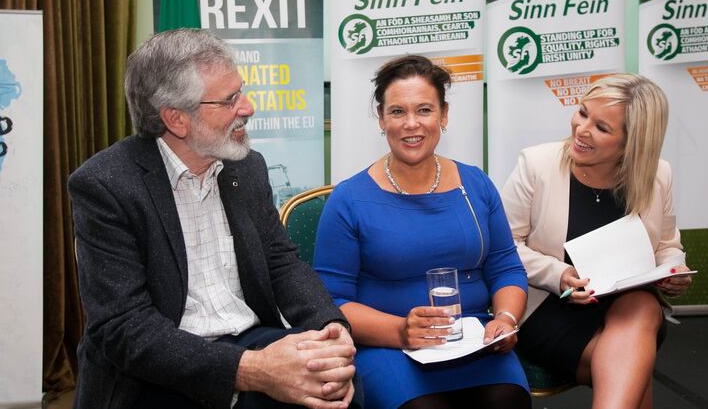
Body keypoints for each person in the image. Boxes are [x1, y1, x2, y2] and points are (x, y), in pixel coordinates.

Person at [68, 29, 361, 409]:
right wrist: (252, 370)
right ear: (176, 119)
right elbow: (125, 328)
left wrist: (328, 326)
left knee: (336, 389)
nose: (248, 107)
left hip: (247, 338)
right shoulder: (106, 186)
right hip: (159, 367)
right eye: (230, 99)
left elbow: (280, 263)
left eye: (241, 91)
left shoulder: (247, 168)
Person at [313, 55, 532, 409]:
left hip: (474, 339)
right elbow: (330, 302)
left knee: (507, 400)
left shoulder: (475, 184)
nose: (411, 124)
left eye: (425, 110)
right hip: (388, 346)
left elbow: (505, 266)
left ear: (444, 115)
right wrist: (401, 331)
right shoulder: (349, 200)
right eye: (397, 112)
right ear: (382, 119)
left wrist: (505, 319)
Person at [500, 73, 693, 409]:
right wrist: (558, 273)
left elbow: (666, 245)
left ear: (631, 143)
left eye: (602, 127)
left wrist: (672, 269)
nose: (582, 129)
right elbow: (503, 247)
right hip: (551, 306)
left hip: (627, 307)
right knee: (630, 369)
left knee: (642, 306)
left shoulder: (657, 174)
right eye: (583, 112)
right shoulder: (537, 164)